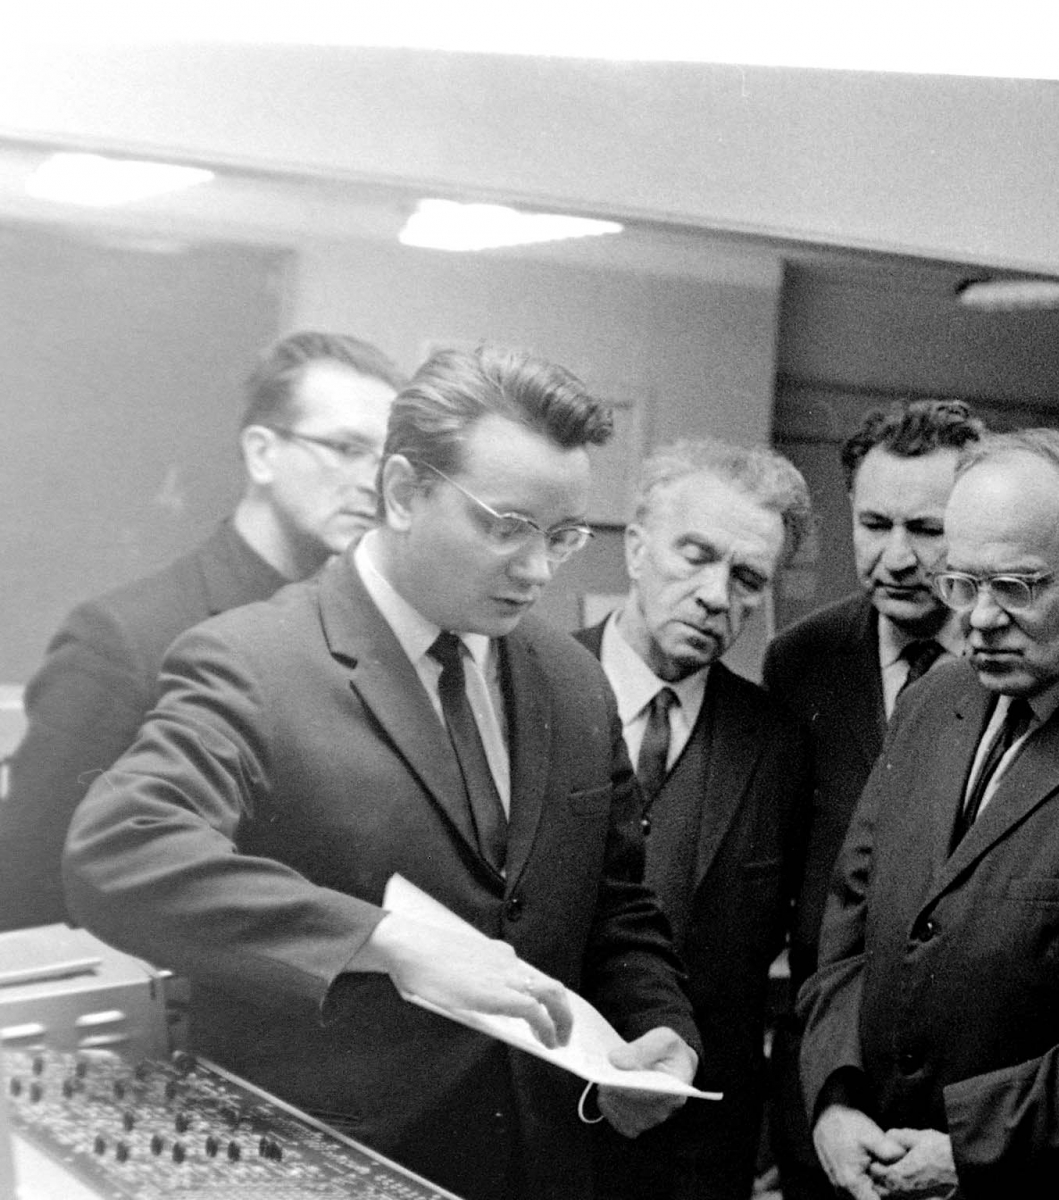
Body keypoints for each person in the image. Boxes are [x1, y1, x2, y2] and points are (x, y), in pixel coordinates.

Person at [63, 346, 702, 1200]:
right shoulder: (254, 662)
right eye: (507, 526)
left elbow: (616, 904)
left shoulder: (571, 678)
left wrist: (659, 1027)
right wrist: (387, 943)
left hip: (539, 1167)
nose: (539, 570)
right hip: (326, 1171)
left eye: (562, 536)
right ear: (402, 492)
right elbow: (121, 852)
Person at [798, 429, 1059, 1199]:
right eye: (961, 583)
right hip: (871, 1163)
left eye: (1018, 588)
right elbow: (851, 924)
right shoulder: (934, 698)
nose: (980, 619)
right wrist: (836, 1095)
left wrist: (970, 1149)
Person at [0, 330, 405, 933]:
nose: (372, 483)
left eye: (384, 459)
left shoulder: (359, 634)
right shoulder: (123, 638)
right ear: (262, 453)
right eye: (346, 449)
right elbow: (27, 885)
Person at [574, 439, 813, 1200]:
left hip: (696, 1153)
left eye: (747, 579)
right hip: (534, 1122)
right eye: (696, 556)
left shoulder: (778, 746)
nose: (716, 596)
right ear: (636, 549)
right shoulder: (526, 691)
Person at [761, 398, 983, 1200]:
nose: (896, 557)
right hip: (826, 1095)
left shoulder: (1016, 659)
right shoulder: (800, 660)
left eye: (927, 530)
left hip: (966, 1110)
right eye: (874, 524)